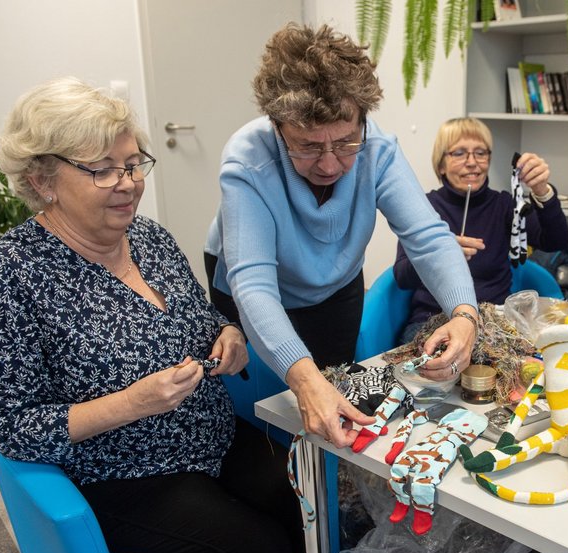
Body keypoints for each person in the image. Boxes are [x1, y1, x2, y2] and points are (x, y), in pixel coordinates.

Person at [0, 77, 307, 553]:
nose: (129, 184)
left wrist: (230, 336)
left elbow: (205, 323)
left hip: (210, 437)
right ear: (42, 180)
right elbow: (12, 427)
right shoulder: (5, 276)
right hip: (122, 473)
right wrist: (131, 403)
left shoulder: (149, 238)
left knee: (306, 496)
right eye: (103, 168)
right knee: (259, 552)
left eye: (134, 165)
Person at [204, 23, 478, 448]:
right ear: (277, 127)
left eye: (347, 142)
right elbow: (253, 283)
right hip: (254, 285)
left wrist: (465, 314)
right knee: (265, 411)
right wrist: (301, 375)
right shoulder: (247, 161)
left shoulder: (379, 150)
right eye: (308, 146)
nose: (330, 165)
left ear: (363, 120)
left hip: (335, 280)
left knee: (336, 405)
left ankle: (334, 495)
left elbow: (428, 237)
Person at [393, 117, 568, 340]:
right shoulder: (425, 208)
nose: (472, 162)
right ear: (441, 164)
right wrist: (439, 255)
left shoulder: (504, 205)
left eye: (480, 152)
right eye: (459, 153)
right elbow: (401, 276)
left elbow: (556, 241)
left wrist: (542, 190)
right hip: (433, 323)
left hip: (492, 324)